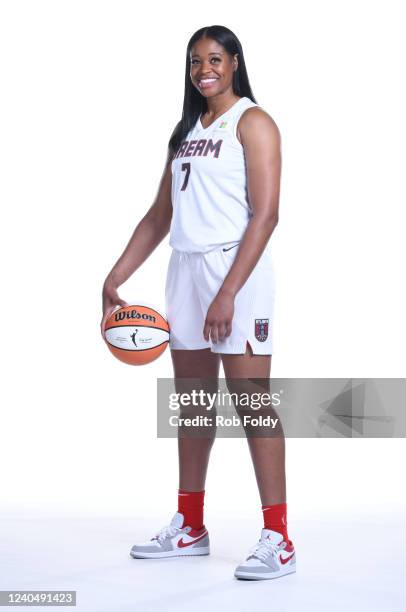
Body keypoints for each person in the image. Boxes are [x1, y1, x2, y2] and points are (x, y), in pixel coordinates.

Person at [101, 25, 296, 581]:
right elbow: (160, 215)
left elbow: (266, 213)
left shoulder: (254, 123)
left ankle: (279, 537)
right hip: (184, 270)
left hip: (235, 269)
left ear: (235, 62)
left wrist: (229, 290)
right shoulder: (185, 132)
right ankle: (190, 526)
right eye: (195, 62)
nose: (204, 69)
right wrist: (115, 276)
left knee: (253, 402)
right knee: (193, 404)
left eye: (214, 59)